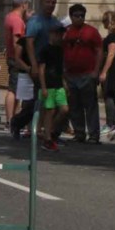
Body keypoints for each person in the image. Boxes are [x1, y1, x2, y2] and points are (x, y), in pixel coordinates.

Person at [63, 3, 102, 143]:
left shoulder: (91, 32)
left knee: (90, 106)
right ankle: (79, 133)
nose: (79, 18)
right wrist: (64, 72)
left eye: (82, 16)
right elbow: (62, 51)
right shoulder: (66, 31)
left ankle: (93, 135)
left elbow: (99, 51)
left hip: (87, 74)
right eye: (76, 16)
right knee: (74, 106)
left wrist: (96, 71)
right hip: (71, 75)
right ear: (71, 16)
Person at [38, 23, 69, 151]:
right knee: (49, 111)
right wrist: (43, 87)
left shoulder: (60, 50)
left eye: (61, 34)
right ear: (51, 34)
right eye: (58, 34)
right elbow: (41, 69)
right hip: (48, 84)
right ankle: (47, 138)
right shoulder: (45, 49)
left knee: (64, 109)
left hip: (58, 84)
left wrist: (65, 83)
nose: (60, 37)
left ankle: (50, 130)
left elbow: (60, 69)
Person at [3, 0, 29, 126]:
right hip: (16, 58)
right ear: (23, 4)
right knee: (13, 90)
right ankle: (9, 119)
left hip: (11, 57)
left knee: (15, 89)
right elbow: (16, 42)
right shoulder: (17, 21)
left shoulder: (9, 17)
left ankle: (12, 118)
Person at [99, 10, 115, 140]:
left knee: (108, 95)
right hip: (113, 68)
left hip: (111, 69)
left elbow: (111, 53)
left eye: (104, 21)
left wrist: (104, 71)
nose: (103, 24)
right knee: (113, 96)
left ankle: (110, 124)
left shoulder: (113, 36)